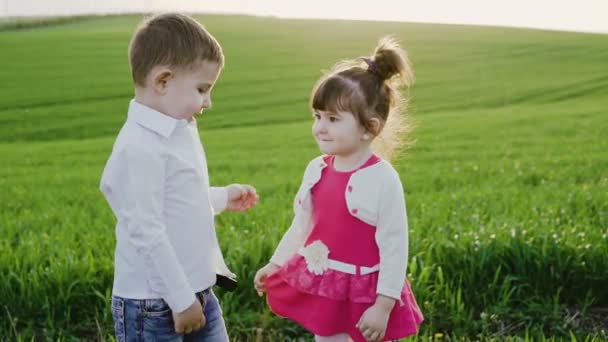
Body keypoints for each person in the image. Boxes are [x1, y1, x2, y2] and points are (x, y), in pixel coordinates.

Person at [99, 13, 258, 341]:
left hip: (195, 289)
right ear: (163, 81)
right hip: (153, 303)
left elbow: (180, 198)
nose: (208, 101)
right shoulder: (139, 147)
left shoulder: (177, 129)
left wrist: (223, 197)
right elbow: (147, 230)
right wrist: (181, 300)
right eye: (202, 88)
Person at [254, 37, 423, 342]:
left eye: (333, 119)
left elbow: (394, 246)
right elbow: (302, 226)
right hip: (328, 288)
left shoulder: (383, 179)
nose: (320, 127)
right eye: (318, 116)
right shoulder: (317, 169)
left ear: (368, 128)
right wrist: (276, 263)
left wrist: (383, 305)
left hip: (366, 296)